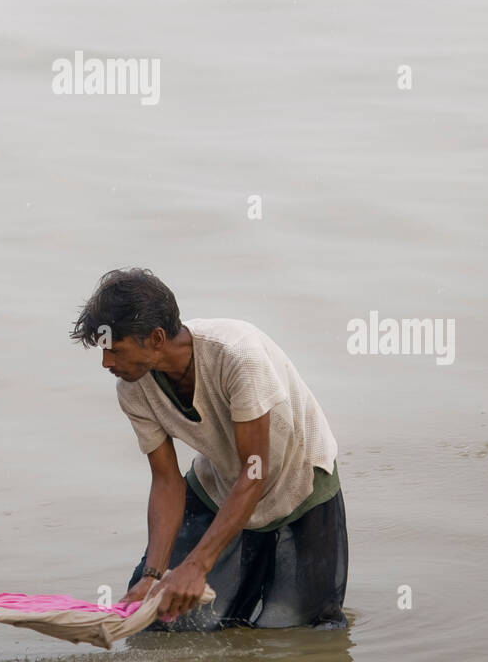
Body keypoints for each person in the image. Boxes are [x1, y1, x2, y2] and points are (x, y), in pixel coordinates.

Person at [71, 268, 348, 630]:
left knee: (296, 630)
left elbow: (255, 472)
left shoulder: (237, 356)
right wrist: (154, 574)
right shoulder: (133, 386)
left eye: (114, 349)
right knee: (159, 618)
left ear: (155, 339)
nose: (106, 363)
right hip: (220, 483)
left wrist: (197, 567)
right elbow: (168, 481)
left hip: (297, 485)